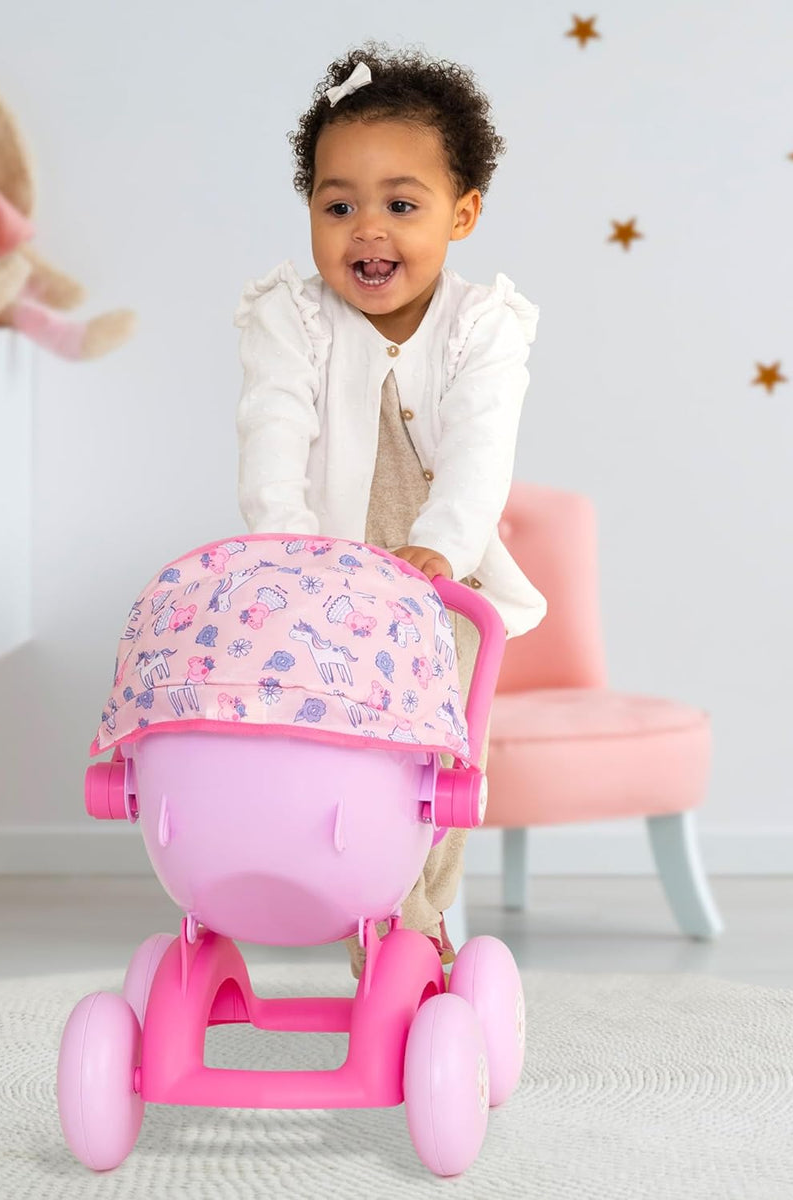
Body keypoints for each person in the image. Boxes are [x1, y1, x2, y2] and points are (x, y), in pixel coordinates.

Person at [234, 43, 546, 976]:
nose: (367, 230)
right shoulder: (289, 321)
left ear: (462, 214)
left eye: (401, 206)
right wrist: (285, 548)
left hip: (439, 586)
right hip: (319, 575)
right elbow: (272, 434)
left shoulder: (483, 329)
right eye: (340, 206)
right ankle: (346, 898)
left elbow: (481, 456)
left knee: (440, 755)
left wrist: (441, 551)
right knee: (327, 746)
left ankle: (422, 915)